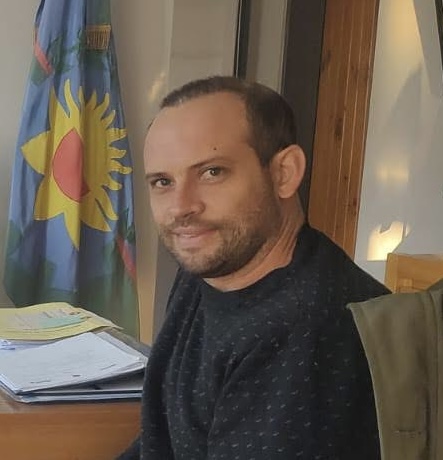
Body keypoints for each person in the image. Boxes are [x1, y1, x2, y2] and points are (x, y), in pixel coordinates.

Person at [118, 76, 389, 460]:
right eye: (163, 181)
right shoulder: (211, 269)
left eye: (212, 172)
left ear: (284, 173)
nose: (181, 207)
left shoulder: (309, 330)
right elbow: (161, 441)